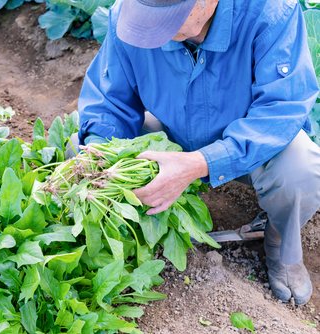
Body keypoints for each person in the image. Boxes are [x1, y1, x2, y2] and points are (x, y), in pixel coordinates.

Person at [77, 0, 320, 305]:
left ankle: (282, 242)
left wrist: (200, 163)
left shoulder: (270, 11)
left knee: (301, 169)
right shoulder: (126, 15)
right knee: (91, 140)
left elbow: (281, 109)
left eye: (165, 18)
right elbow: (108, 102)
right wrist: (102, 158)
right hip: (172, 134)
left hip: (250, 145)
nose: (152, 29)